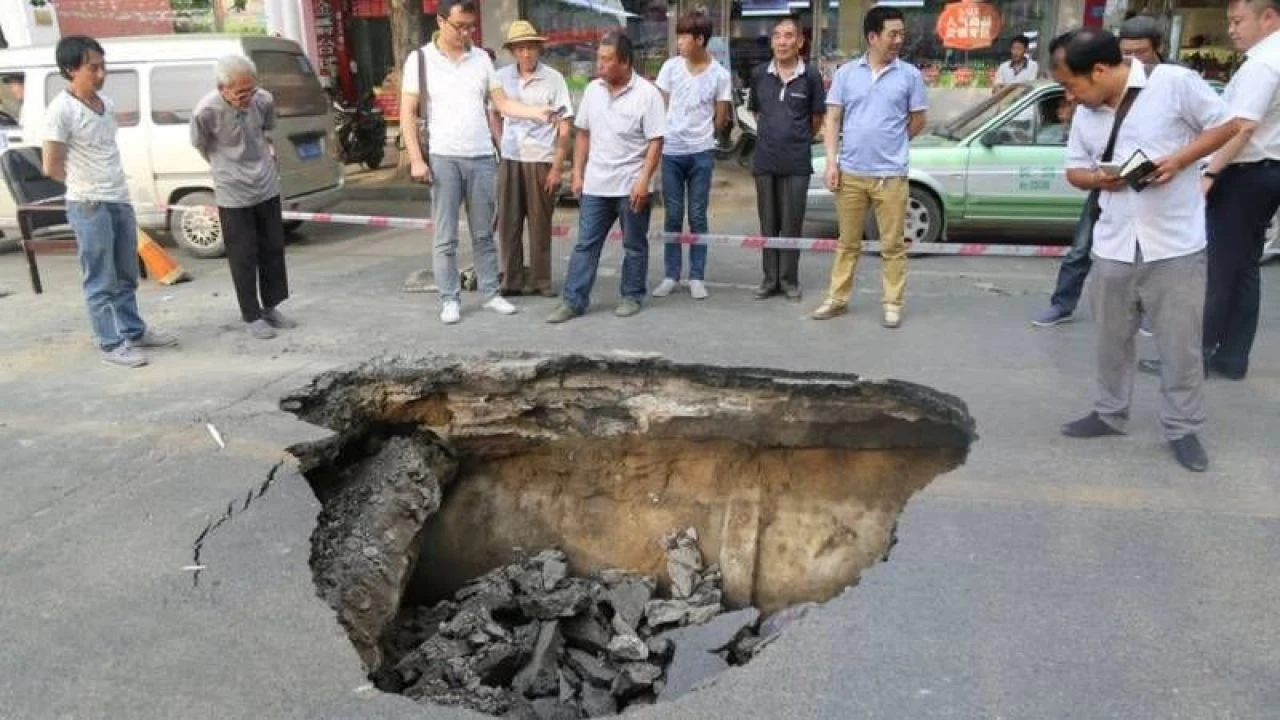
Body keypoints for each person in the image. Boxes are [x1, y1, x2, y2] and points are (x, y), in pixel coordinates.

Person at [1054, 29, 1238, 472]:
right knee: (1110, 339)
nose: (1070, 95)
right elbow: (1075, 170)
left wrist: (1179, 161)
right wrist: (1101, 180)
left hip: (1174, 243)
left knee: (1180, 345)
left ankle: (1183, 428)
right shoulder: (1087, 113)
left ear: (1099, 70)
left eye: (1072, 84)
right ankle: (1109, 412)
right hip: (1114, 241)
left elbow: (1228, 126)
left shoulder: (1173, 83)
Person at [399, 0, 557, 325]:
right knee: (445, 236)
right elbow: (407, 113)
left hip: (482, 157)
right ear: (441, 21)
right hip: (444, 157)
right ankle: (449, 298)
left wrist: (535, 113)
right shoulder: (420, 60)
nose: (466, 33)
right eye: (460, 26)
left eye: (471, 26)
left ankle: (490, 293)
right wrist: (416, 158)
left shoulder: (482, 59)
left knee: (484, 233)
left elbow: (501, 103)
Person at [42, 35, 177, 368]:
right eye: (93, 68)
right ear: (71, 69)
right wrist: (84, 186)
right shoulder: (60, 111)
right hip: (89, 203)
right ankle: (109, 342)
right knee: (100, 277)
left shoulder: (106, 105)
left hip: (118, 198)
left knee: (126, 272)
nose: (101, 73)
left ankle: (133, 330)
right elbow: (51, 165)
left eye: (103, 66)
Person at [811, 5, 926, 329]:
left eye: (901, 34)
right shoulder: (847, 74)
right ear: (873, 37)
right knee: (847, 243)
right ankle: (837, 299)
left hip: (890, 177)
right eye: (893, 34)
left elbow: (917, 121)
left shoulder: (910, 76)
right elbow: (832, 119)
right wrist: (832, 162)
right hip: (851, 173)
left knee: (892, 245)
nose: (898, 40)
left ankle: (892, 303)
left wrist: (892, 143)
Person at [545, 31, 664, 323]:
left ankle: (632, 295)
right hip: (596, 185)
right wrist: (578, 174)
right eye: (599, 57)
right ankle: (573, 300)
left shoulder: (648, 95)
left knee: (634, 245)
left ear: (625, 62)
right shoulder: (593, 90)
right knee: (586, 244)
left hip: (631, 185)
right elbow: (583, 133)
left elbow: (656, 142)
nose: (599, 64)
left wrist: (643, 181)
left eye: (607, 59)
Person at [1192, 0, 1280, 380]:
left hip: (1244, 173)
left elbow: (1242, 126)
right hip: (1265, 172)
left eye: (1238, 21)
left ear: (1269, 17)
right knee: (1244, 269)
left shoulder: (1263, 63)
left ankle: (1194, 357)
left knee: (1220, 270)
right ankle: (1231, 357)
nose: (1231, 29)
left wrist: (1210, 173)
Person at [190, 55, 296, 340]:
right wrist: (225, 167)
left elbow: (267, 130)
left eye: (251, 89)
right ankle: (251, 314)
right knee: (243, 255)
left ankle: (271, 306)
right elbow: (201, 145)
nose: (247, 97)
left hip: (265, 183)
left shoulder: (263, 100)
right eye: (240, 93)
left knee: (272, 247)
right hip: (232, 190)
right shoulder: (206, 111)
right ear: (222, 88)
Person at [651, 9, 732, 301]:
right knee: (673, 215)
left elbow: (721, 118)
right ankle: (671, 275)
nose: (679, 42)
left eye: (684, 37)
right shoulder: (671, 68)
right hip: (671, 152)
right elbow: (658, 104)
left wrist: (701, 133)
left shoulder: (720, 75)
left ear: (699, 39)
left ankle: (697, 276)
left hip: (701, 153)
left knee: (697, 214)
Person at [748, 15, 826, 301]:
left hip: (796, 162)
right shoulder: (759, 74)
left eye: (789, 35)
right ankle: (769, 280)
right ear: (772, 41)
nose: (782, 41)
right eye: (777, 36)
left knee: (792, 223)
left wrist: (794, 136)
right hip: (765, 160)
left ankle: (789, 280)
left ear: (800, 41)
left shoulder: (811, 76)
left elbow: (816, 119)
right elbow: (757, 112)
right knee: (768, 223)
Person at [493, 20, 572, 298]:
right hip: (511, 158)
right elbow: (493, 110)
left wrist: (557, 167)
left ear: (539, 48)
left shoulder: (554, 79)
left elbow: (564, 125)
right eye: (520, 48)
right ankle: (511, 280)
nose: (526, 54)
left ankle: (541, 280)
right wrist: (500, 139)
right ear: (513, 51)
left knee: (540, 223)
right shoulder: (500, 77)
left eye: (530, 48)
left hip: (541, 158)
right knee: (508, 223)